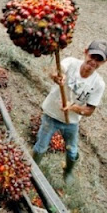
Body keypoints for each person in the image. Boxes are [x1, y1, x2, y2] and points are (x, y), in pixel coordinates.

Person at [32, 40, 107, 185]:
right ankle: (33, 171)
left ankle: (68, 171)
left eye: (99, 60)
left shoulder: (98, 84)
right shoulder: (71, 63)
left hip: (71, 122)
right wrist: (56, 75)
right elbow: (56, 70)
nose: (94, 62)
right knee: (41, 145)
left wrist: (73, 107)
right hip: (51, 114)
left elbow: (90, 110)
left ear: (103, 63)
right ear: (86, 52)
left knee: (72, 150)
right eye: (92, 56)